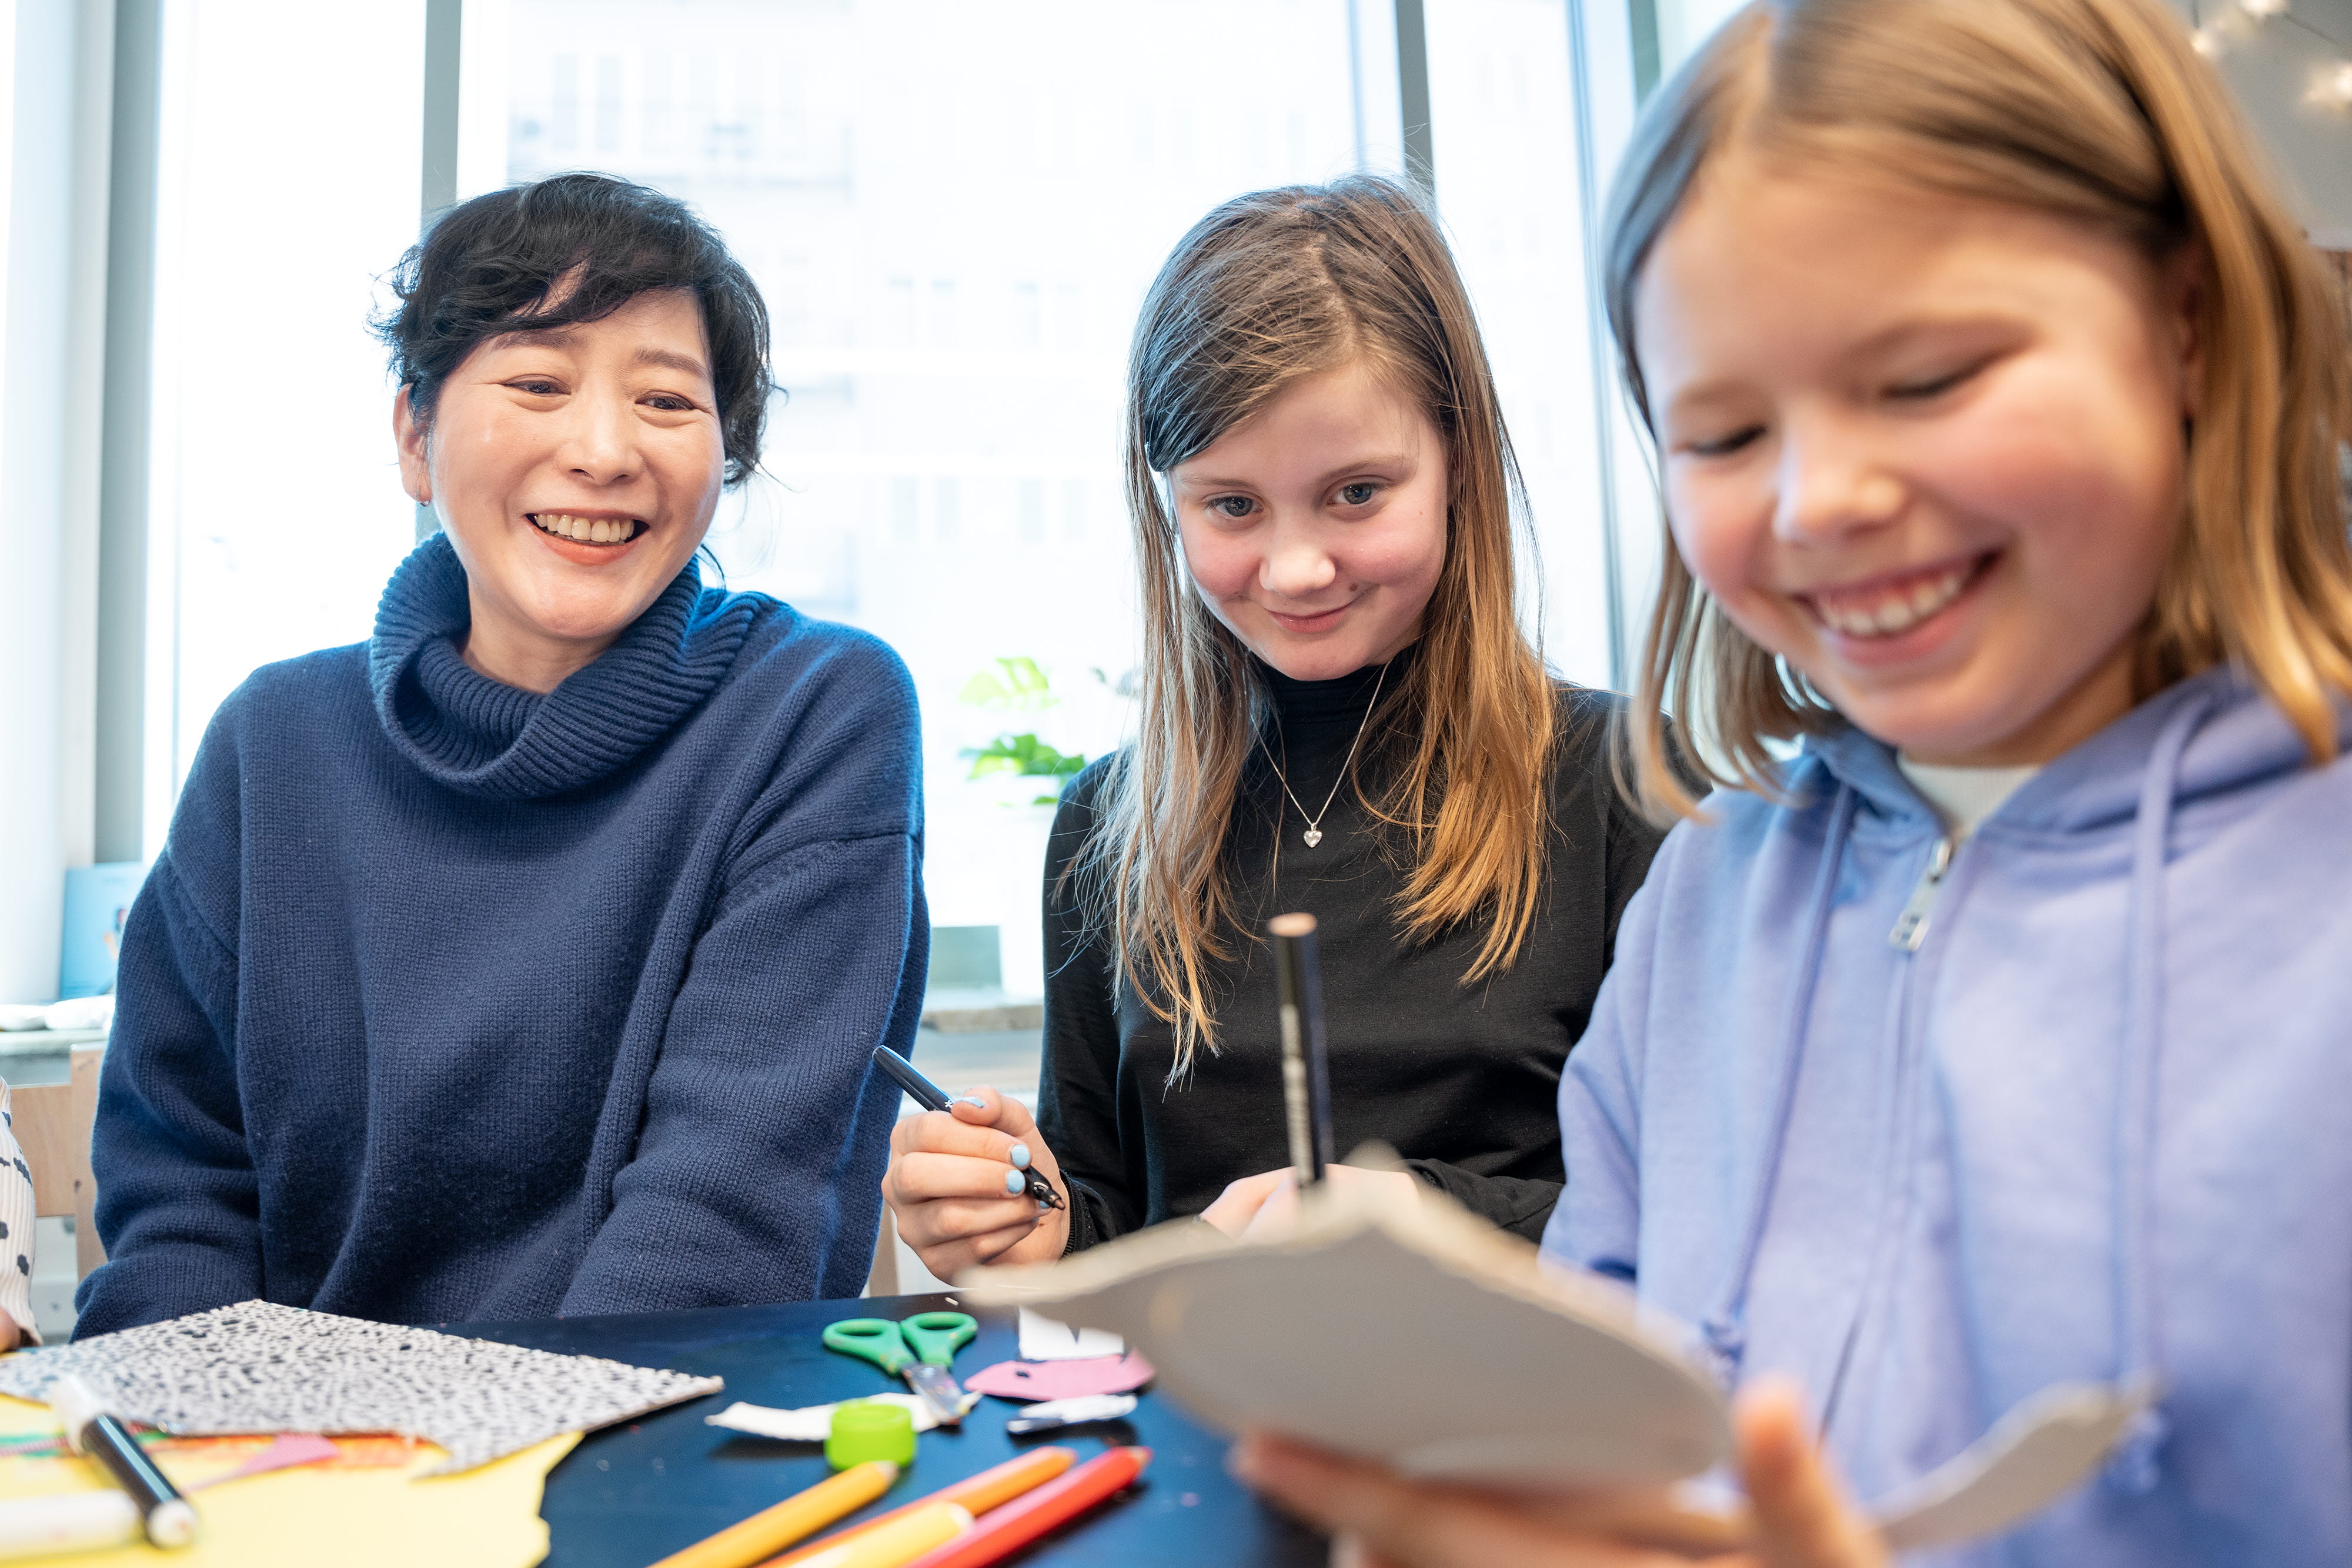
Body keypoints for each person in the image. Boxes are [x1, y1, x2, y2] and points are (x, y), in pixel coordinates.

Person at [1231, 0, 2352, 1563]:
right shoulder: (1705, 904)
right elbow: (1605, 1443)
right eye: (1730, 430)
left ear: (2191, 322)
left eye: (1931, 378)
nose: (1823, 501)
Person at [75, 174, 925, 1336]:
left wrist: (499, 1483)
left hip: (639, 1458)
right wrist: (216, 1459)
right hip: (286, 1473)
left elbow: (727, 1215)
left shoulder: (816, 710)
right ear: (415, 436)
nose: (604, 449)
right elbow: (180, 1205)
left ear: (724, 459)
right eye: (537, 383)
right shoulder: (269, 745)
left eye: (668, 402)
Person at [881, 176, 1671, 1281]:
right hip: (1191, 1435)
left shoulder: (1628, 786)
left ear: (1460, 463)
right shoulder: (1109, 828)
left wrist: (1424, 1219)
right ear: (1169, 505)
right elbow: (1112, 1235)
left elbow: (1708, 1221)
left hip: (1518, 1430)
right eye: (1233, 507)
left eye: (1356, 493)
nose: (1297, 570)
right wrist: (1032, 1228)